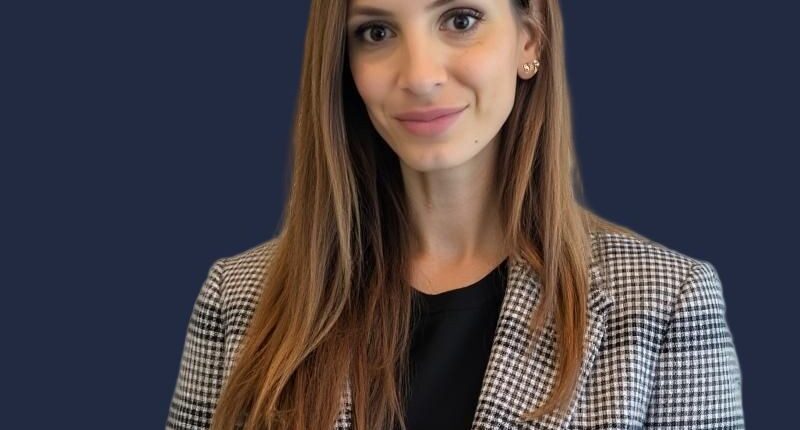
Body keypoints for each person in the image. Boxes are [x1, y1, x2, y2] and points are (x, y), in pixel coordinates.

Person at [165, 0, 744, 429]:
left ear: (529, 41)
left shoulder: (665, 301)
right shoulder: (238, 298)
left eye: (460, 20)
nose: (419, 76)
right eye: (376, 32)